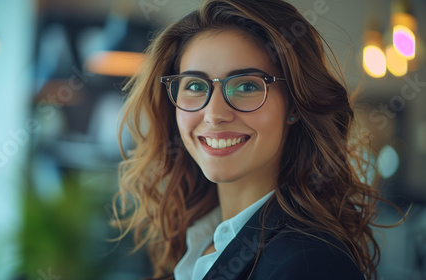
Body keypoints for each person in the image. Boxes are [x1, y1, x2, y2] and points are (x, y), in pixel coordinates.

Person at [111, 0, 401, 279]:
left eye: (247, 85)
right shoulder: (198, 240)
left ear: (294, 106)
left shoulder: (312, 263)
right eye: (196, 85)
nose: (214, 115)